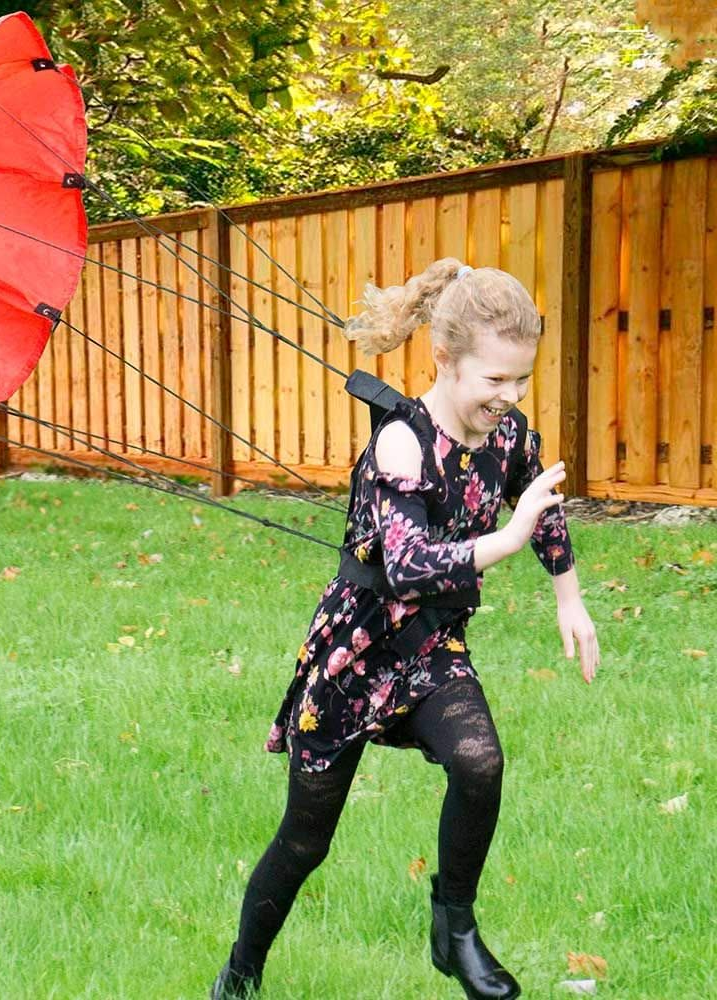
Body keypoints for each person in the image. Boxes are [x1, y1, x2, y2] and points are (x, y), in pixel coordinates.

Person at [211, 258, 600, 1000]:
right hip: (355, 654)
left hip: (428, 646)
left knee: (480, 762)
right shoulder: (401, 442)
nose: (510, 397)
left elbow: (539, 502)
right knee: (304, 840)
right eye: (494, 380)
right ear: (445, 360)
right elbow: (412, 566)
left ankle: (454, 929)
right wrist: (507, 539)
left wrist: (569, 598)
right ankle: (240, 973)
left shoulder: (508, 434)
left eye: (521, 380)